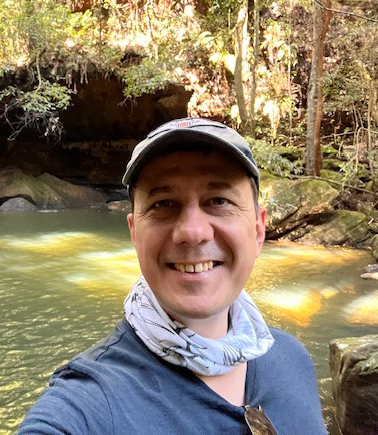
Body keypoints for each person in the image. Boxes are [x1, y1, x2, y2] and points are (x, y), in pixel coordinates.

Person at [18, 117, 327, 435]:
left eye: (218, 201)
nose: (192, 232)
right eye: (163, 204)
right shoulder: (90, 402)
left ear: (258, 231)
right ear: (135, 234)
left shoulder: (292, 359)